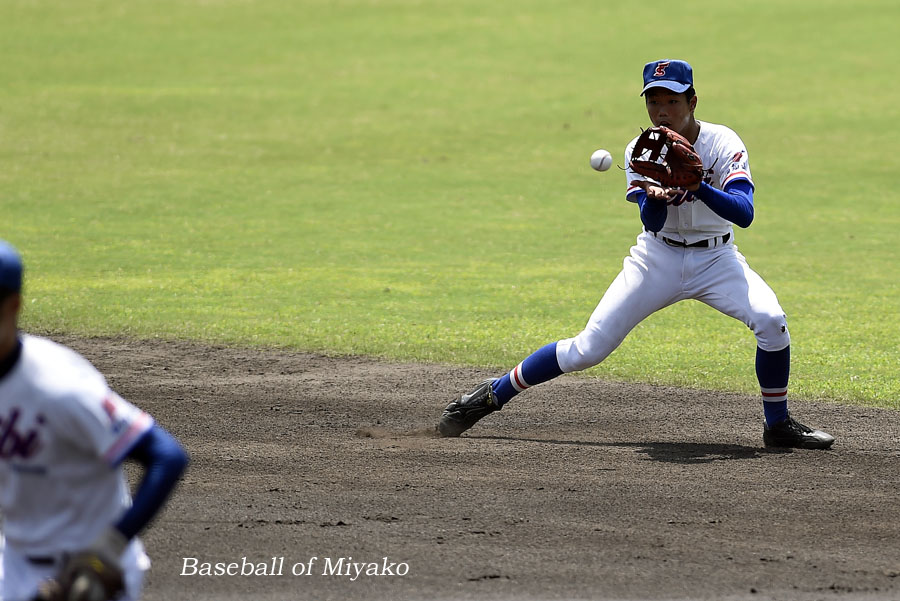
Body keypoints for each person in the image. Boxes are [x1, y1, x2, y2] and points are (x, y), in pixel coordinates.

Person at [437, 59, 834, 450]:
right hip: (656, 260)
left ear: (693, 101)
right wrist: (658, 197)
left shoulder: (723, 142)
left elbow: (744, 214)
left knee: (771, 320)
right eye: (653, 102)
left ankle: (778, 424)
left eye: (672, 102)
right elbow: (653, 222)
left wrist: (698, 186)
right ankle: (491, 395)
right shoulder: (641, 150)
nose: (662, 112)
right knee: (587, 350)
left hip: (717, 260)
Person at [0, 240, 190, 600]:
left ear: (13, 306)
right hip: (13, 563)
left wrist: (107, 550)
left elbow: (167, 456)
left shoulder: (59, 388)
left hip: (90, 575)